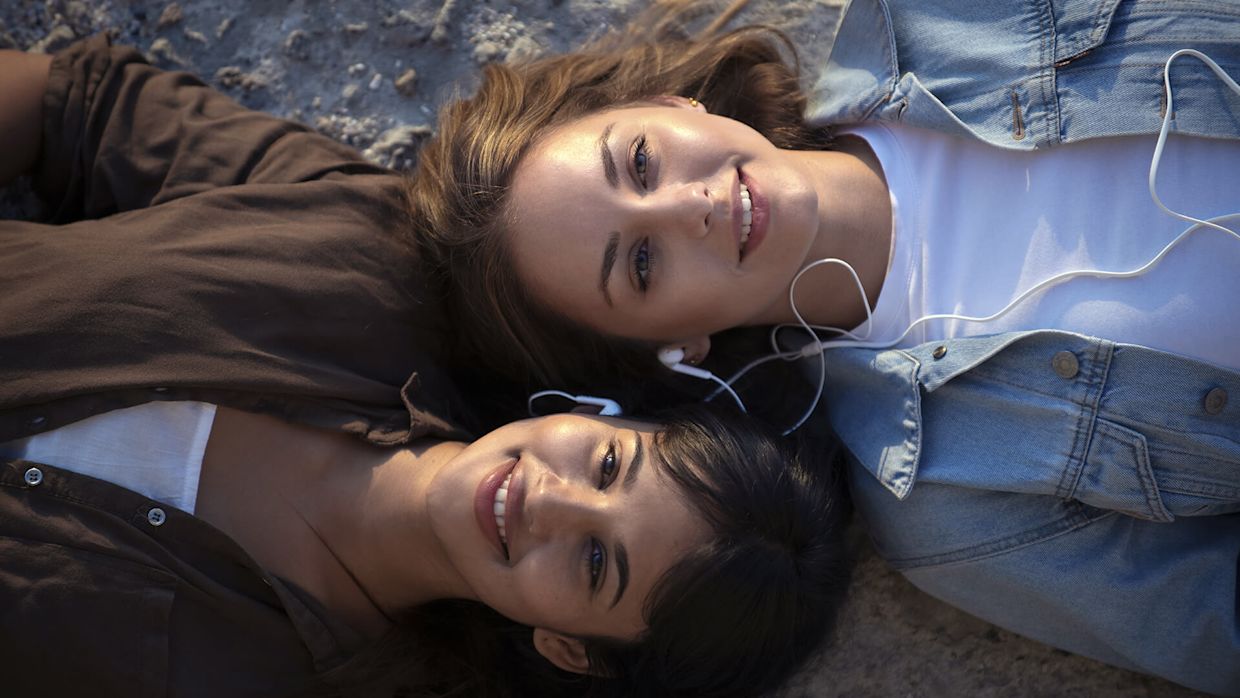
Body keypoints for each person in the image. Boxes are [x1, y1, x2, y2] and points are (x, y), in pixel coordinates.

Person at [405, 0, 1240, 694]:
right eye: (642, 264)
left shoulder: (939, 17)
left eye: (642, 162)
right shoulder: (945, 500)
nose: (689, 209)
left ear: (672, 105)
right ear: (673, 347)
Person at [0, 399, 848, 697]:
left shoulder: (266, 680)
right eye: (608, 464)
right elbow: (83, 103)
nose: (550, 500)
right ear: (607, 414)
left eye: (595, 563)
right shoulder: (364, 265)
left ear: (569, 649)